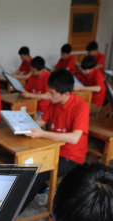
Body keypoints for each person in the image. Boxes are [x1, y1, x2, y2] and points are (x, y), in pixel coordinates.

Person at [22, 68, 89, 210]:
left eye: (52, 93)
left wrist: (42, 134)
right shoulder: (55, 102)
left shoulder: (81, 107)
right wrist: (22, 125)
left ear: (66, 93)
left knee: (36, 173)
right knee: (23, 162)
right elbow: (40, 122)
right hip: (52, 148)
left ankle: (13, 213)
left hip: (70, 156)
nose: (49, 95)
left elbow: (74, 138)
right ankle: (46, 189)